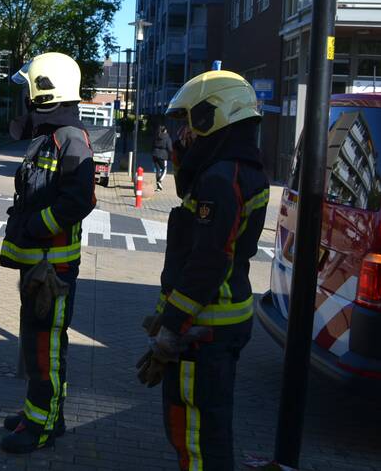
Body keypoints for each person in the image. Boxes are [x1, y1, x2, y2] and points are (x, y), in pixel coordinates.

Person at [136, 70, 269, 471]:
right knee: (209, 429)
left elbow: (207, 261)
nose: (184, 134)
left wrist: (172, 325)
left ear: (215, 116)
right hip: (218, 321)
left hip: (203, 329)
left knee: (195, 437)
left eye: (189, 122)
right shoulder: (241, 168)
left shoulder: (219, 179)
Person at [0, 51, 96, 454]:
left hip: (52, 269)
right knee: (37, 344)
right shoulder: (52, 137)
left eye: (28, 91)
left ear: (44, 93)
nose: (23, 99)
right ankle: (39, 413)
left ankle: (41, 427)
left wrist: (36, 229)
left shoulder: (71, 139)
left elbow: (78, 200)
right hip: (39, 266)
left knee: (46, 347)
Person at [152, 125, 172, 191]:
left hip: (154, 155)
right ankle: (159, 181)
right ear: (165, 130)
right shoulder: (167, 137)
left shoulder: (156, 136)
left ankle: (158, 187)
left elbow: (152, 145)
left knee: (157, 170)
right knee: (164, 170)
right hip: (163, 156)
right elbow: (170, 148)